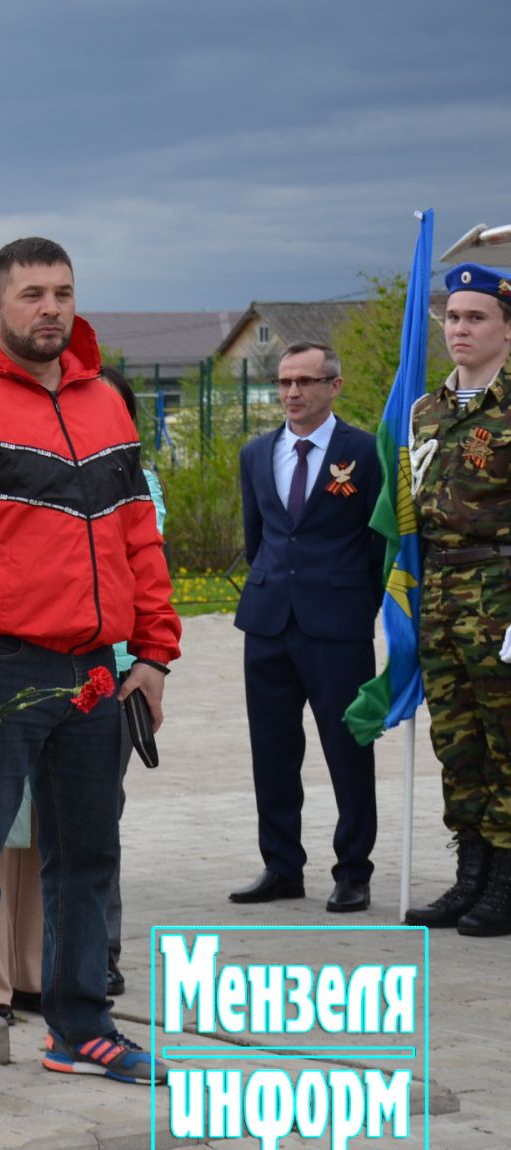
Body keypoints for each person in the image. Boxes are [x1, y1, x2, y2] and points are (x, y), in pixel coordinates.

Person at [0, 237, 181, 1105]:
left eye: (62, 291)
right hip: (1, 673)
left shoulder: (106, 406)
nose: (50, 308)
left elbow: (140, 534)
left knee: (88, 857)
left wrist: (157, 654)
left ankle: (80, 1026)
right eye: (31, 294)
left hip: (98, 674)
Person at [230, 343, 383, 912]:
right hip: (268, 621)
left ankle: (353, 869)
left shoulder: (365, 451)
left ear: (334, 386)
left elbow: (377, 543)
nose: (293, 393)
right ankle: (281, 865)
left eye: (306, 381)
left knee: (347, 749)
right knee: (271, 750)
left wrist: (355, 605)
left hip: (337, 624)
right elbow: (257, 537)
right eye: (284, 381)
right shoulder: (256, 452)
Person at [403, 263, 511, 935]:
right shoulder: (427, 410)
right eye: (452, 317)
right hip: (442, 592)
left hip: (501, 591)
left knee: (506, 741)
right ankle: (470, 874)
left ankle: (504, 880)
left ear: (507, 328)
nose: (460, 329)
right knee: (457, 740)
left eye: (476, 318)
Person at [99, 365, 167, 994]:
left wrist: (152, 661)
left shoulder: (139, 484)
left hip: (117, 674)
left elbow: (147, 575)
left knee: (99, 816)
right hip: (51, 666)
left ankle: (103, 949)